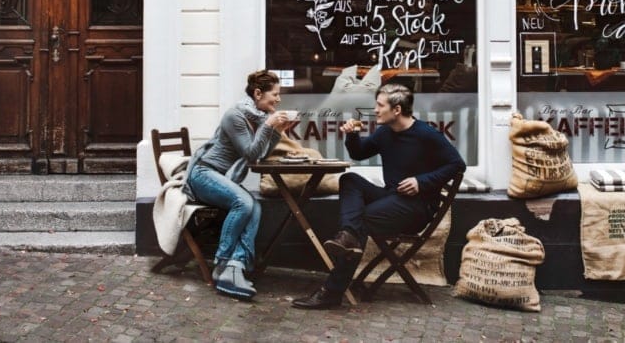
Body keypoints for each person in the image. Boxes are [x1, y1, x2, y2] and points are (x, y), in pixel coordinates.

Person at [292, 83, 466, 309]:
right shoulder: (385, 132)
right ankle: (348, 236)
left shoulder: (426, 134)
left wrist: (421, 182)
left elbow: (457, 164)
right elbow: (359, 153)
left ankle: (331, 292)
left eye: (380, 105)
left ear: (397, 110)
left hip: (417, 208)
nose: (375, 109)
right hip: (391, 198)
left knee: (361, 221)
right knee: (350, 180)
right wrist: (353, 135)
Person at [183, 69, 295, 300]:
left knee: (255, 206)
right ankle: (222, 264)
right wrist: (269, 127)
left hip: (222, 178)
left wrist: (277, 131)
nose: (278, 99)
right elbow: (251, 153)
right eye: (274, 94)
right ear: (257, 93)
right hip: (204, 174)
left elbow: (259, 154)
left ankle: (237, 265)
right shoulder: (235, 116)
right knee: (243, 202)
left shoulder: (257, 118)